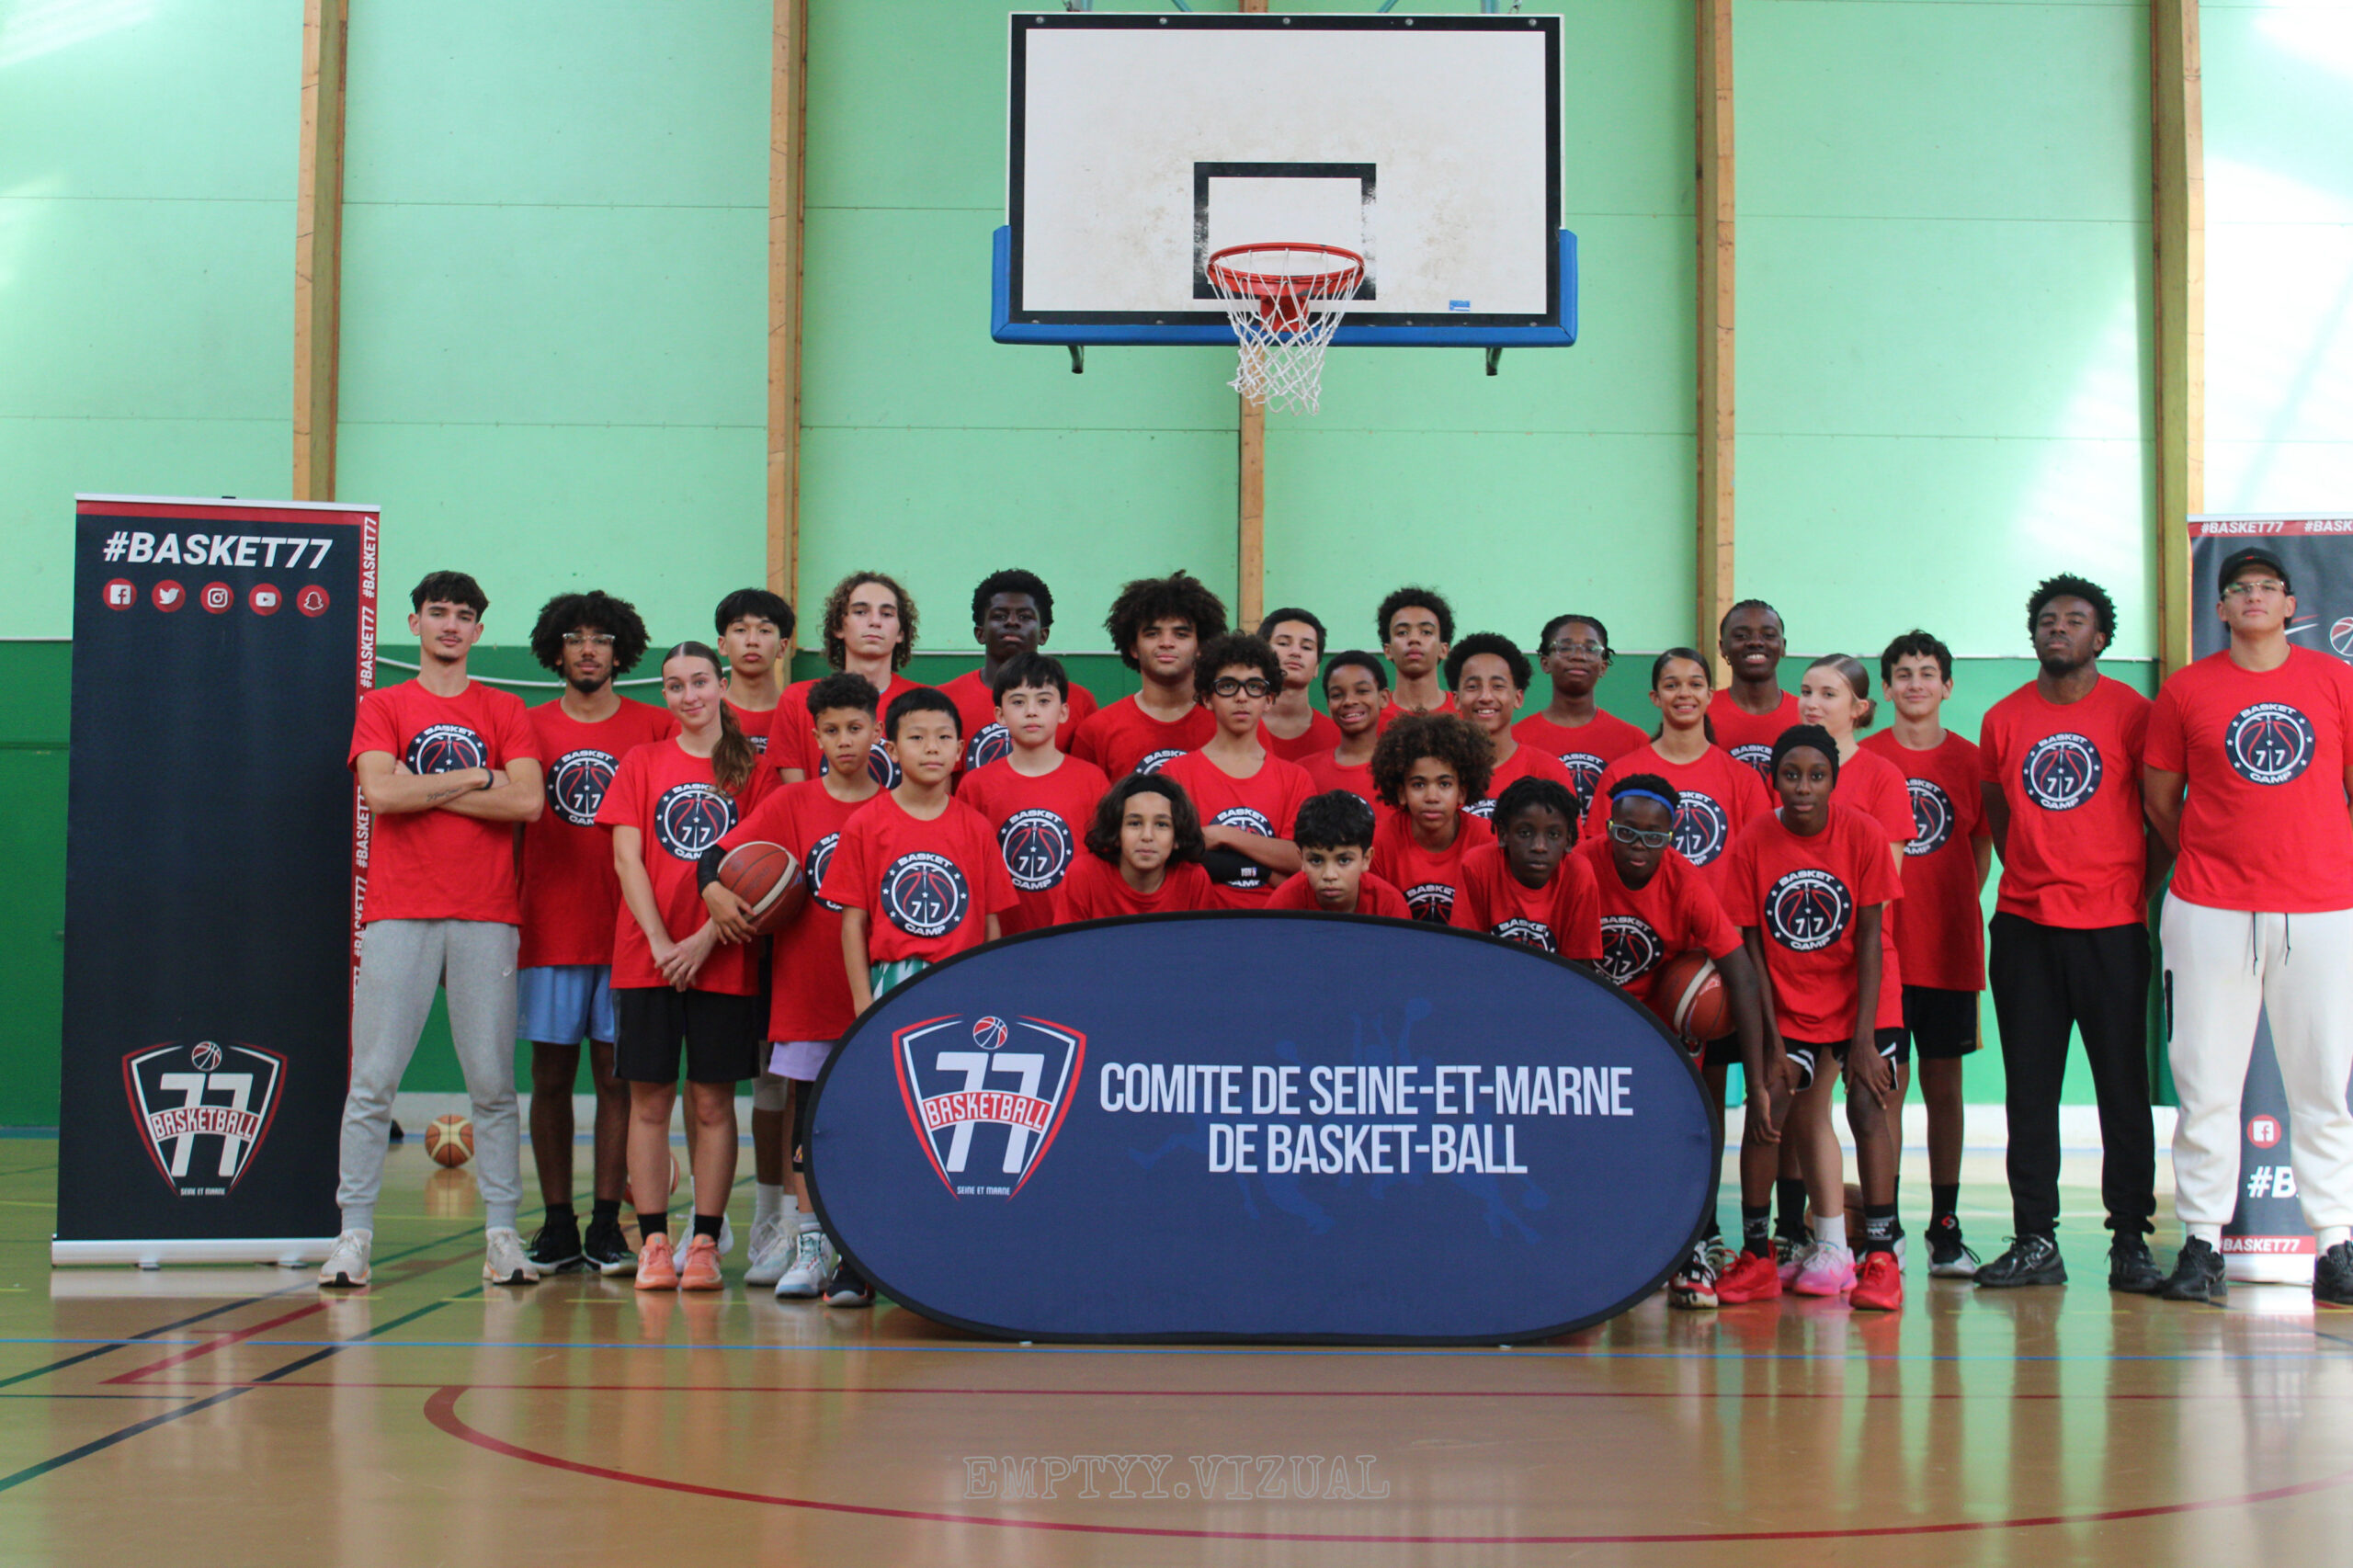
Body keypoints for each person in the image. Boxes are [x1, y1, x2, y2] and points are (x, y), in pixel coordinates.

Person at [322, 571, 547, 1290]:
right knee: (372, 1082)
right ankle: (354, 1237)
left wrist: (426, 789)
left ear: (479, 630)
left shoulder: (505, 708)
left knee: (493, 1086)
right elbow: (381, 794)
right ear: (414, 623)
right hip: (399, 910)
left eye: (464, 615)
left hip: (487, 913)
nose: (451, 624)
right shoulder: (383, 705)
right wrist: (478, 778)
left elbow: (529, 804)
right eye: (438, 612)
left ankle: (502, 1235)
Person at [2143, 546, 2353, 1309]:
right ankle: (2202, 1245)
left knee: (2323, 1084)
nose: (2254, 597)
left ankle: (2336, 1245)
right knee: (2205, 1083)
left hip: (2322, 908)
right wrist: (2216, 856)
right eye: (2239, 588)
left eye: (2268, 587)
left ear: (2291, 606)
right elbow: (2161, 798)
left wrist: (2318, 857)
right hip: (2209, 909)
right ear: (2221, 608)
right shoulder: (2187, 690)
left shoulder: (2335, 681)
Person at [1974, 574, 2163, 1292]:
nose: (2058, 628)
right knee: (2030, 1092)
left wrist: (2129, 890)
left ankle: (2130, 1242)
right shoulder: (2002, 719)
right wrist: (2038, 875)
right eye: (2048, 619)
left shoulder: (2134, 713)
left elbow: (2161, 817)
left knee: (2122, 1087)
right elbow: (2000, 814)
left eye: (2075, 619)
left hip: (2112, 929)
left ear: (2101, 637)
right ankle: (2034, 1239)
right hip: (2025, 928)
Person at [598, 642, 773, 1292]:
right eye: (675, 686)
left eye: (700, 682)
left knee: (712, 1102)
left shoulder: (753, 769)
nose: (689, 695)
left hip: (721, 956)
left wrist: (702, 941)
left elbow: (763, 865)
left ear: (722, 684)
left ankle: (703, 1242)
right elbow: (627, 859)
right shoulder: (641, 762)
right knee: (648, 1103)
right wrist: (660, 941)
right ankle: (652, 1242)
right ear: (665, 695)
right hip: (648, 958)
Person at [704, 673, 882, 1299]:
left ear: (877, 732)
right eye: (831, 731)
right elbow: (717, 854)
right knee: (808, 1126)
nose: (844, 741)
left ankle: (865, 1245)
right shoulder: (791, 804)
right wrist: (714, 890)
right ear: (815, 738)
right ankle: (809, 1246)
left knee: (871, 1126)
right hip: (805, 992)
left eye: (855, 728)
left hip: (873, 996)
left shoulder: (892, 806)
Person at [1720, 726, 1905, 1311]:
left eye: (1816, 776)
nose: (1803, 787)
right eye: (1791, 775)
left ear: (1834, 780)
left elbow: (1871, 939)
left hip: (1864, 995)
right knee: (1768, 1105)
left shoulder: (1862, 833)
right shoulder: (1754, 839)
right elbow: (1751, 946)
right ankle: (1757, 1256)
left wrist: (1864, 1040)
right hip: (1789, 998)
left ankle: (1881, 1257)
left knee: (1867, 1106)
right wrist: (1773, 1043)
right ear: (1773, 779)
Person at [516, 589, 673, 1276]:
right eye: (575, 637)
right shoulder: (525, 725)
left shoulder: (654, 726)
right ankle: (558, 1224)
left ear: (620, 651)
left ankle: (608, 1223)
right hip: (547, 926)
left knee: (617, 1079)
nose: (588, 649)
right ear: (556, 650)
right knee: (549, 1077)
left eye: (601, 639)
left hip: (629, 933)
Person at [1577, 775, 1770, 1309]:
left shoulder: (1685, 882)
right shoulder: (1582, 865)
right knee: (1597, 1142)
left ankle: (1689, 1250)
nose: (1638, 846)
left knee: (1680, 1138)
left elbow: (1742, 976)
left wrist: (1756, 1083)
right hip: (1596, 1021)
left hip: (1662, 1028)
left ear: (1673, 835)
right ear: (1607, 826)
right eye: (1626, 832)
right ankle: (1600, 1251)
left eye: (1653, 836)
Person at [1861, 630, 1994, 1278]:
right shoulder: (1865, 760)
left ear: (1947, 686)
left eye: (1927, 672)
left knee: (1945, 1086)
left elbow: (1979, 852)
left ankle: (1945, 1224)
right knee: (1887, 1088)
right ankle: (1883, 1225)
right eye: (1903, 674)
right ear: (1886, 690)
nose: (1915, 683)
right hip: (1883, 953)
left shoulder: (1971, 761)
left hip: (1948, 948)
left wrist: (1949, 906)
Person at [1791, 653, 1914, 1260]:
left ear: (1861, 708)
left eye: (1829, 693)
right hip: (1800, 971)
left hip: (1863, 967)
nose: (1813, 703)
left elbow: (1883, 886)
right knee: (1806, 1105)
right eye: (1806, 691)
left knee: (1871, 1102)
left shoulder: (1882, 778)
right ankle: (1830, 1242)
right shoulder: (1789, 772)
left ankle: (1885, 1244)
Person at [1594, 649, 1772, 900]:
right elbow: (1600, 858)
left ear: (1709, 695)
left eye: (1695, 684)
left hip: (1722, 921)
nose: (1684, 693)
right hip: (1644, 917)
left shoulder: (1744, 779)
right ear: (1655, 697)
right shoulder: (1621, 774)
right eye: (1671, 685)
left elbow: (1761, 861)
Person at [955, 653, 1112, 934]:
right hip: (1000, 939)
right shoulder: (975, 785)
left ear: (1063, 712)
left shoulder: (1092, 780)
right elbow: (969, 872)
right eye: (1018, 702)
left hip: (1075, 934)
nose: (1031, 711)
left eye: (1043, 701)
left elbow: (1106, 866)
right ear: (999, 715)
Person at [1158, 633, 1315, 904]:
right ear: (1207, 698)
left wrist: (1223, 835)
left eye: (1254, 686)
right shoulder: (1175, 774)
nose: (1242, 697)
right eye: (1228, 686)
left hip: (1276, 921)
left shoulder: (1295, 778)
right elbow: (1170, 856)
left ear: (1269, 699)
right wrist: (1266, 869)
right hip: (1200, 920)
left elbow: (1305, 859)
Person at [773, 572, 926, 786]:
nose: (875, 621)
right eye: (861, 612)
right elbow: (796, 798)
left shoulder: (924, 703)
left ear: (901, 632)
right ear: (838, 626)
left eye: (886, 614)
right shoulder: (798, 699)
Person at [938, 569, 1097, 775]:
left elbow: (1085, 778)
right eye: (999, 616)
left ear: (1043, 635)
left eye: (1024, 616)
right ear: (980, 633)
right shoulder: (945, 700)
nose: (1012, 622)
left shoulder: (1078, 701)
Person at [1070, 571, 1227, 778]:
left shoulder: (1232, 721)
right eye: (1152, 634)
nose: (1166, 643)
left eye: (1181, 634)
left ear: (1201, 646)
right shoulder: (1096, 731)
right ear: (1133, 647)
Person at [1513, 612, 1646, 825]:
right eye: (1565, 647)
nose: (1578, 656)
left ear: (1603, 666)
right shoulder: (1516, 739)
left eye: (1591, 649)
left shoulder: (1635, 742)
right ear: (1545, 663)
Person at [1447, 777, 1602, 959]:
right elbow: (1466, 952)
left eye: (1553, 834)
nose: (1539, 846)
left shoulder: (1578, 873)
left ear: (1568, 840)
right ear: (1503, 835)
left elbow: (1580, 965)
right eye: (1525, 833)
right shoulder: (1477, 865)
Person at [1368, 713, 1495, 925]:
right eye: (1418, 785)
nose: (1432, 797)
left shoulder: (1487, 841)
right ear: (1401, 793)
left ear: (1462, 792)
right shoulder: (1378, 843)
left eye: (1444, 784)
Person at [1051, 773, 1221, 920]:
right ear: (1116, 833)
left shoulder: (1193, 879)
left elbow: (1203, 944)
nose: (1147, 836)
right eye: (1135, 823)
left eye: (1162, 825)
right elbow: (1068, 946)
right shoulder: (1083, 875)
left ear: (1177, 837)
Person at [1447, 632, 1576, 819]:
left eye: (1498, 686)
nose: (1485, 697)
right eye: (1473, 687)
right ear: (1456, 699)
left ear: (1518, 698)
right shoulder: (1437, 770)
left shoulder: (1547, 770)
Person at [1266, 790, 1412, 917]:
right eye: (1316, 861)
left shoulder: (1389, 905)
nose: (1329, 875)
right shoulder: (1284, 903)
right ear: (1302, 859)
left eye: (1344, 860)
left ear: (1366, 859)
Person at [1711, 599, 1799, 776]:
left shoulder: (1807, 715)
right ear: (1722, 647)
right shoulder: (1702, 713)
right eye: (1741, 636)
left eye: (1769, 635)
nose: (1755, 642)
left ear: (1783, 646)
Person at [1302, 651, 1390, 805]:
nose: (1349, 701)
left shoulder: (1403, 767)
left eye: (1362, 691)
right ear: (1328, 705)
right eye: (1337, 695)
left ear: (1383, 698)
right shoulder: (1304, 772)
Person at [715, 587, 794, 756]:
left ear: (783, 647)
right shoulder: (705, 716)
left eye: (764, 631)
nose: (752, 641)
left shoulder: (800, 717)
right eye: (740, 630)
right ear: (723, 645)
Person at [1258, 608, 1341, 764]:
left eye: (1306, 647)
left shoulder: (1339, 737)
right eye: (1283, 643)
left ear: (1317, 667)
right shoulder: (1237, 727)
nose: (1295, 652)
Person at [1376, 585, 1457, 719]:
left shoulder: (1464, 711)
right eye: (1402, 632)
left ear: (1443, 649)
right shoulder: (1372, 717)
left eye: (1426, 632)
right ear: (1388, 650)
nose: (1414, 639)